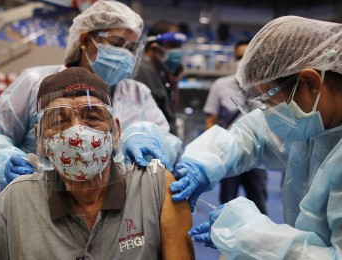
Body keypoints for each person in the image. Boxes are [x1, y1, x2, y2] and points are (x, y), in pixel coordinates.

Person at [0, 67, 194, 259]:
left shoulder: (154, 187)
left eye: (92, 117)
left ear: (116, 131)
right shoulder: (16, 200)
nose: (77, 132)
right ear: (40, 139)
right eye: (59, 120)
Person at [170, 16, 342, 258]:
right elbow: (253, 134)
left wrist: (254, 238)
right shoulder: (317, 121)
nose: (268, 113)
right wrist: (204, 162)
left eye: (269, 102)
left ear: (310, 83)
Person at [0, 1, 182, 185]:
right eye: (117, 44)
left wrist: (145, 138)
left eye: (131, 48)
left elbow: (168, 142)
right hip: (41, 202)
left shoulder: (138, 93)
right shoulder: (35, 83)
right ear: (84, 41)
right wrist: (6, 159)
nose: (125, 54)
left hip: (119, 213)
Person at [203, 40, 268, 214]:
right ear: (234, 58)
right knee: (227, 202)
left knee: (259, 201)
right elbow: (211, 119)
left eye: (248, 56)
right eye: (240, 57)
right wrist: (213, 150)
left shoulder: (267, 85)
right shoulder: (220, 85)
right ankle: (224, 237)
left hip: (259, 154)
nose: (243, 60)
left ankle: (259, 239)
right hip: (229, 154)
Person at [133, 20, 187, 136]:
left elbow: (170, 109)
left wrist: (174, 84)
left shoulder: (160, 71)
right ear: (154, 47)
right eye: (173, 46)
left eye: (179, 46)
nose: (177, 51)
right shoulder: (143, 71)